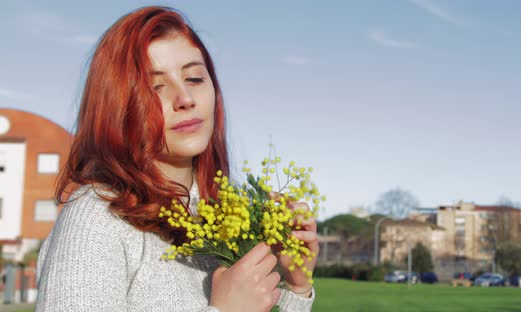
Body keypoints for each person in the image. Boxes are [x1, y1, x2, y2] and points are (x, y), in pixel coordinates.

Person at [35, 6, 318, 312]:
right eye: (155, 86)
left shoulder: (223, 218)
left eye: (194, 78)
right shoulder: (96, 219)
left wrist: (295, 288)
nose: (184, 99)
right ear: (117, 106)